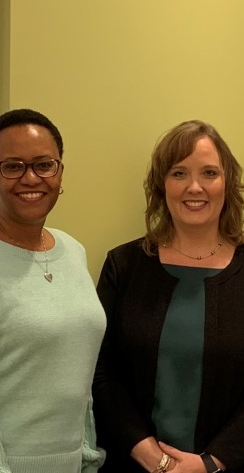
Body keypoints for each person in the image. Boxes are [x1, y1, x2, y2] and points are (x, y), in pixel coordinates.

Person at [92, 120, 244, 473]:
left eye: (209, 173)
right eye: (179, 173)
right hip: (135, 465)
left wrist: (211, 463)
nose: (195, 187)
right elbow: (101, 372)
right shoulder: (123, 267)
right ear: (161, 185)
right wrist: (154, 459)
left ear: (228, 183)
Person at [0, 108, 106, 472]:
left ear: (60, 172)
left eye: (44, 165)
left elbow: (79, 374)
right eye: (12, 166)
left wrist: (87, 454)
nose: (31, 178)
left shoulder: (72, 250)